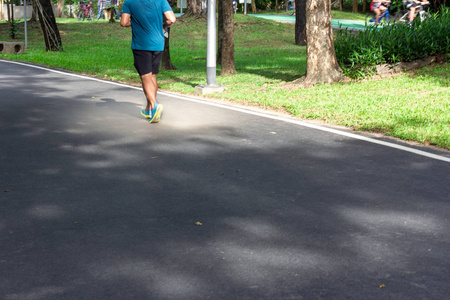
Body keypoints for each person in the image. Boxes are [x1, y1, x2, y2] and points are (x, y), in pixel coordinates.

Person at [120, 0, 176, 123]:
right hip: (158, 43)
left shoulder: (129, 2)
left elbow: (123, 22)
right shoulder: (161, 0)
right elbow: (171, 19)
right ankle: (149, 108)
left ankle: (155, 105)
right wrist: (163, 25)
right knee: (152, 76)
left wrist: (133, 23)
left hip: (141, 44)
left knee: (145, 77)